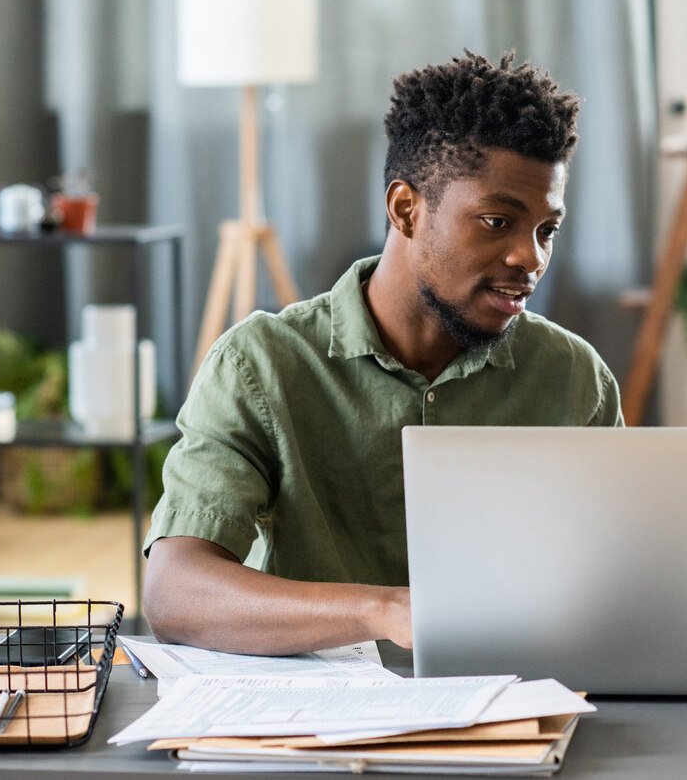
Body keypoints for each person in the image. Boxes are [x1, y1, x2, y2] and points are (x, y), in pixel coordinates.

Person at [144, 52, 622, 655]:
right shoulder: (260, 365)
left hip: (516, 702)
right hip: (321, 724)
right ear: (405, 209)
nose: (531, 258)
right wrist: (386, 610)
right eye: (498, 221)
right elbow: (175, 593)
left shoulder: (575, 377)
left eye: (545, 230)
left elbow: (618, 578)